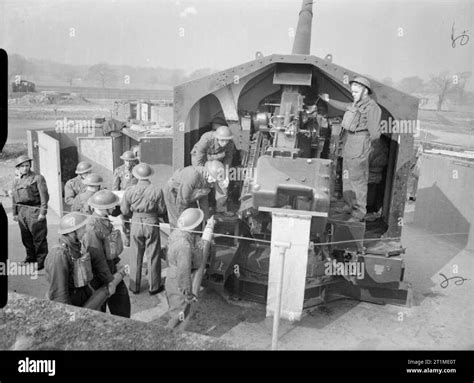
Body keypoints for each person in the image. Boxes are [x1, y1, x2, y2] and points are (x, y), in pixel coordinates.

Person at [320, 76, 382, 222]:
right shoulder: (356, 104)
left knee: (358, 180)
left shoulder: (372, 108)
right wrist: (328, 100)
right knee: (347, 176)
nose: (353, 94)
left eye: (355, 92)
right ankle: (349, 204)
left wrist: (365, 147)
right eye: (352, 92)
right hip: (349, 141)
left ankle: (358, 213)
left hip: (360, 142)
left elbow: (375, 134)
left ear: (365, 91)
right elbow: (344, 106)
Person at [44, 212, 115, 307]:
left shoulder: (75, 246)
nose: (85, 231)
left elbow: (97, 261)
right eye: (82, 228)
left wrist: (109, 280)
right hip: (71, 302)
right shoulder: (59, 255)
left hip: (81, 296)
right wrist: (69, 313)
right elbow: (59, 293)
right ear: (72, 232)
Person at [83, 190, 131, 318]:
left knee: (122, 305)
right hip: (99, 275)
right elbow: (97, 258)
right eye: (113, 205)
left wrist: (117, 263)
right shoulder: (92, 227)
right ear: (106, 208)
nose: (115, 207)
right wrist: (110, 281)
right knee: (99, 311)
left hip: (110, 268)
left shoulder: (104, 220)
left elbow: (109, 247)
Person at [164, 208, 215, 328]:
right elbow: (184, 271)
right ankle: (172, 339)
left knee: (177, 311)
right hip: (179, 281)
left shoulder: (177, 233)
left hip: (172, 275)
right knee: (180, 315)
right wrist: (188, 294)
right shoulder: (184, 245)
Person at [120, 163, 167, 295]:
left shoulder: (130, 190)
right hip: (151, 222)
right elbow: (162, 210)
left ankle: (134, 286)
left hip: (135, 222)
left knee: (135, 254)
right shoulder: (157, 190)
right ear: (149, 175)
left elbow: (124, 210)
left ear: (136, 175)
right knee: (153, 254)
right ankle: (154, 286)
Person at [11, 155, 49, 270]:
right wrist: (15, 213)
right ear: (18, 168)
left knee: (39, 237)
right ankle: (30, 258)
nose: (25, 168)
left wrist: (43, 212)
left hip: (35, 210)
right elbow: (14, 197)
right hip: (22, 211)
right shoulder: (16, 180)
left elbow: (44, 197)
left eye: (27, 165)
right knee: (26, 237)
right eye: (22, 166)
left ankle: (41, 261)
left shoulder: (37, 178)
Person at [164, 160, 226, 227]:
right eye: (213, 178)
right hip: (174, 193)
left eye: (215, 179)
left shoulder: (208, 179)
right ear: (208, 172)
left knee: (195, 218)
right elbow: (182, 200)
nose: (214, 181)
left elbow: (203, 199)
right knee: (178, 222)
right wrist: (183, 217)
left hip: (189, 194)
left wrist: (206, 218)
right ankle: (176, 235)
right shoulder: (193, 175)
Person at [191, 126, 235, 213]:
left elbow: (228, 159)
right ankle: (202, 210)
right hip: (202, 160)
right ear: (217, 138)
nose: (224, 143)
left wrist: (225, 174)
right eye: (222, 140)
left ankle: (221, 208)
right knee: (203, 183)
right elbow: (198, 161)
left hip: (217, 162)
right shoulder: (206, 139)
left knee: (223, 182)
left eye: (226, 140)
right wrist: (204, 174)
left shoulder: (230, 144)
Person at [113, 150, 139, 247]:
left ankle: (136, 239)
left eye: (130, 161)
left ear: (133, 161)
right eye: (126, 161)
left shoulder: (137, 170)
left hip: (135, 199)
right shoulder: (118, 171)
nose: (128, 163)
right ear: (123, 161)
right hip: (124, 199)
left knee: (136, 220)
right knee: (125, 220)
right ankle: (127, 238)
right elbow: (115, 188)